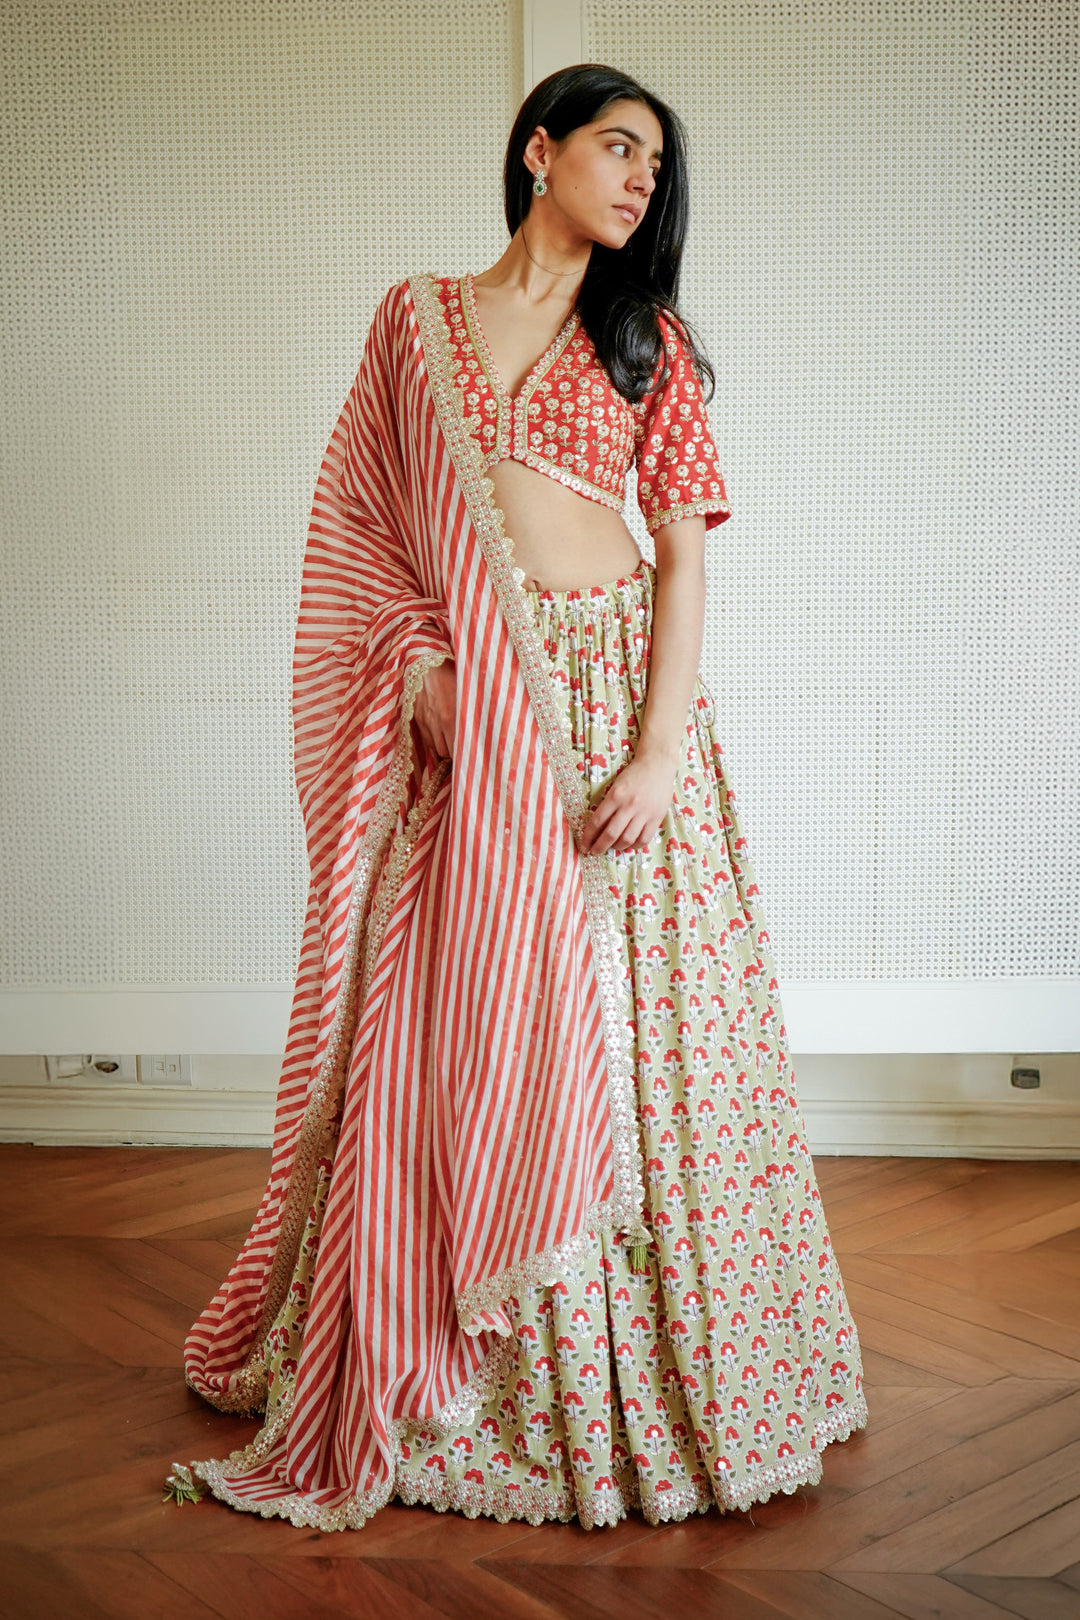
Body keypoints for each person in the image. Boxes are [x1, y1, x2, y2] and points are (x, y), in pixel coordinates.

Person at [166, 62, 868, 1533]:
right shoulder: (414, 321)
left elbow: (682, 555)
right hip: (468, 720)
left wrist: (660, 750)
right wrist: (418, 664)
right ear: (538, 150)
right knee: (454, 1021)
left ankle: (662, 1380)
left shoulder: (646, 343)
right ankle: (456, 1371)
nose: (640, 183)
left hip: (612, 701)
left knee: (638, 1032)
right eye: (619, 150)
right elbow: (359, 518)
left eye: (657, 170)